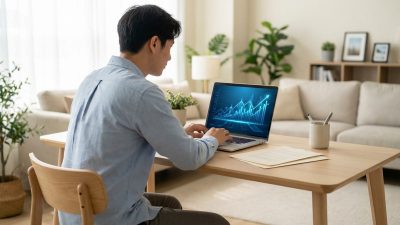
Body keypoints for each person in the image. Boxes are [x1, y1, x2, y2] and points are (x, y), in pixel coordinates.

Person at [59, 4, 231, 225]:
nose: (169, 57)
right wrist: (211, 139)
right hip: (110, 218)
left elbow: (119, 132)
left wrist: (177, 133)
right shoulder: (141, 91)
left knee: (170, 204)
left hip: (75, 209)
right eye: (169, 47)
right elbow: (188, 159)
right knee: (217, 223)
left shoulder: (92, 78)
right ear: (154, 43)